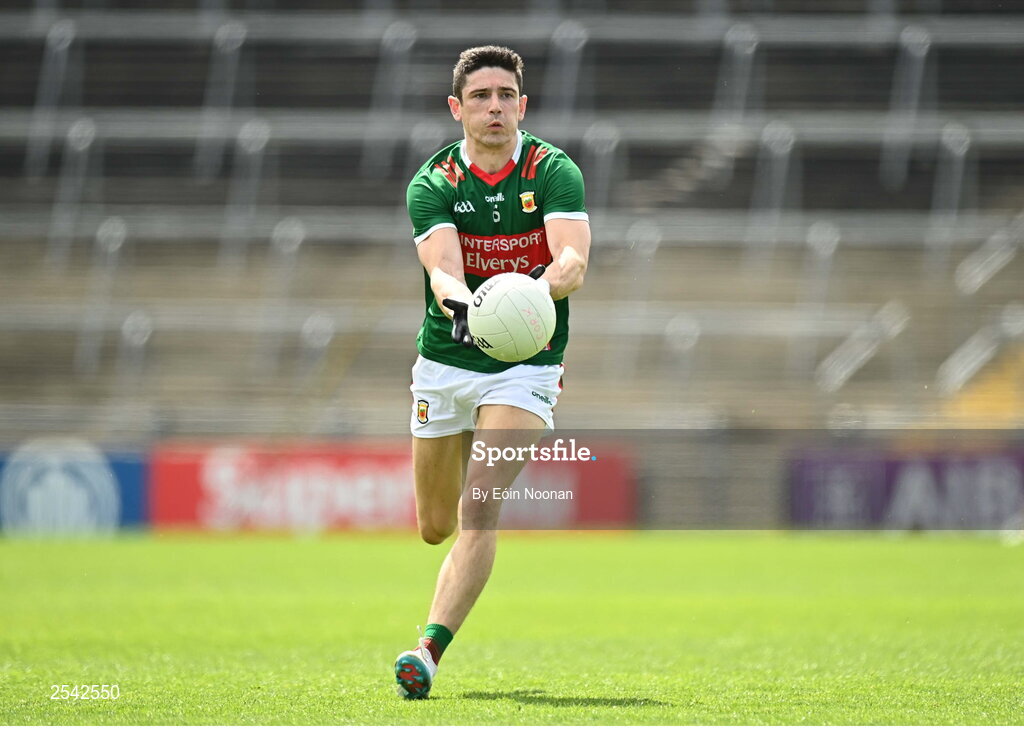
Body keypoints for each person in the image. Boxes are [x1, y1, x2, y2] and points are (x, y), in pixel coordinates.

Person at [394, 45, 591, 700]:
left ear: (523, 106)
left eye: (506, 94)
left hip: (527, 364)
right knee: (434, 525)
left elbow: (571, 263)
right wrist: (468, 308)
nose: (495, 106)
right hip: (446, 359)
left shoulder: (554, 171)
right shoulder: (434, 182)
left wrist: (533, 292)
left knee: (479, 503)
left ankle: (427, 649)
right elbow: (443, 269)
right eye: (480, 96)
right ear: (457, 109)